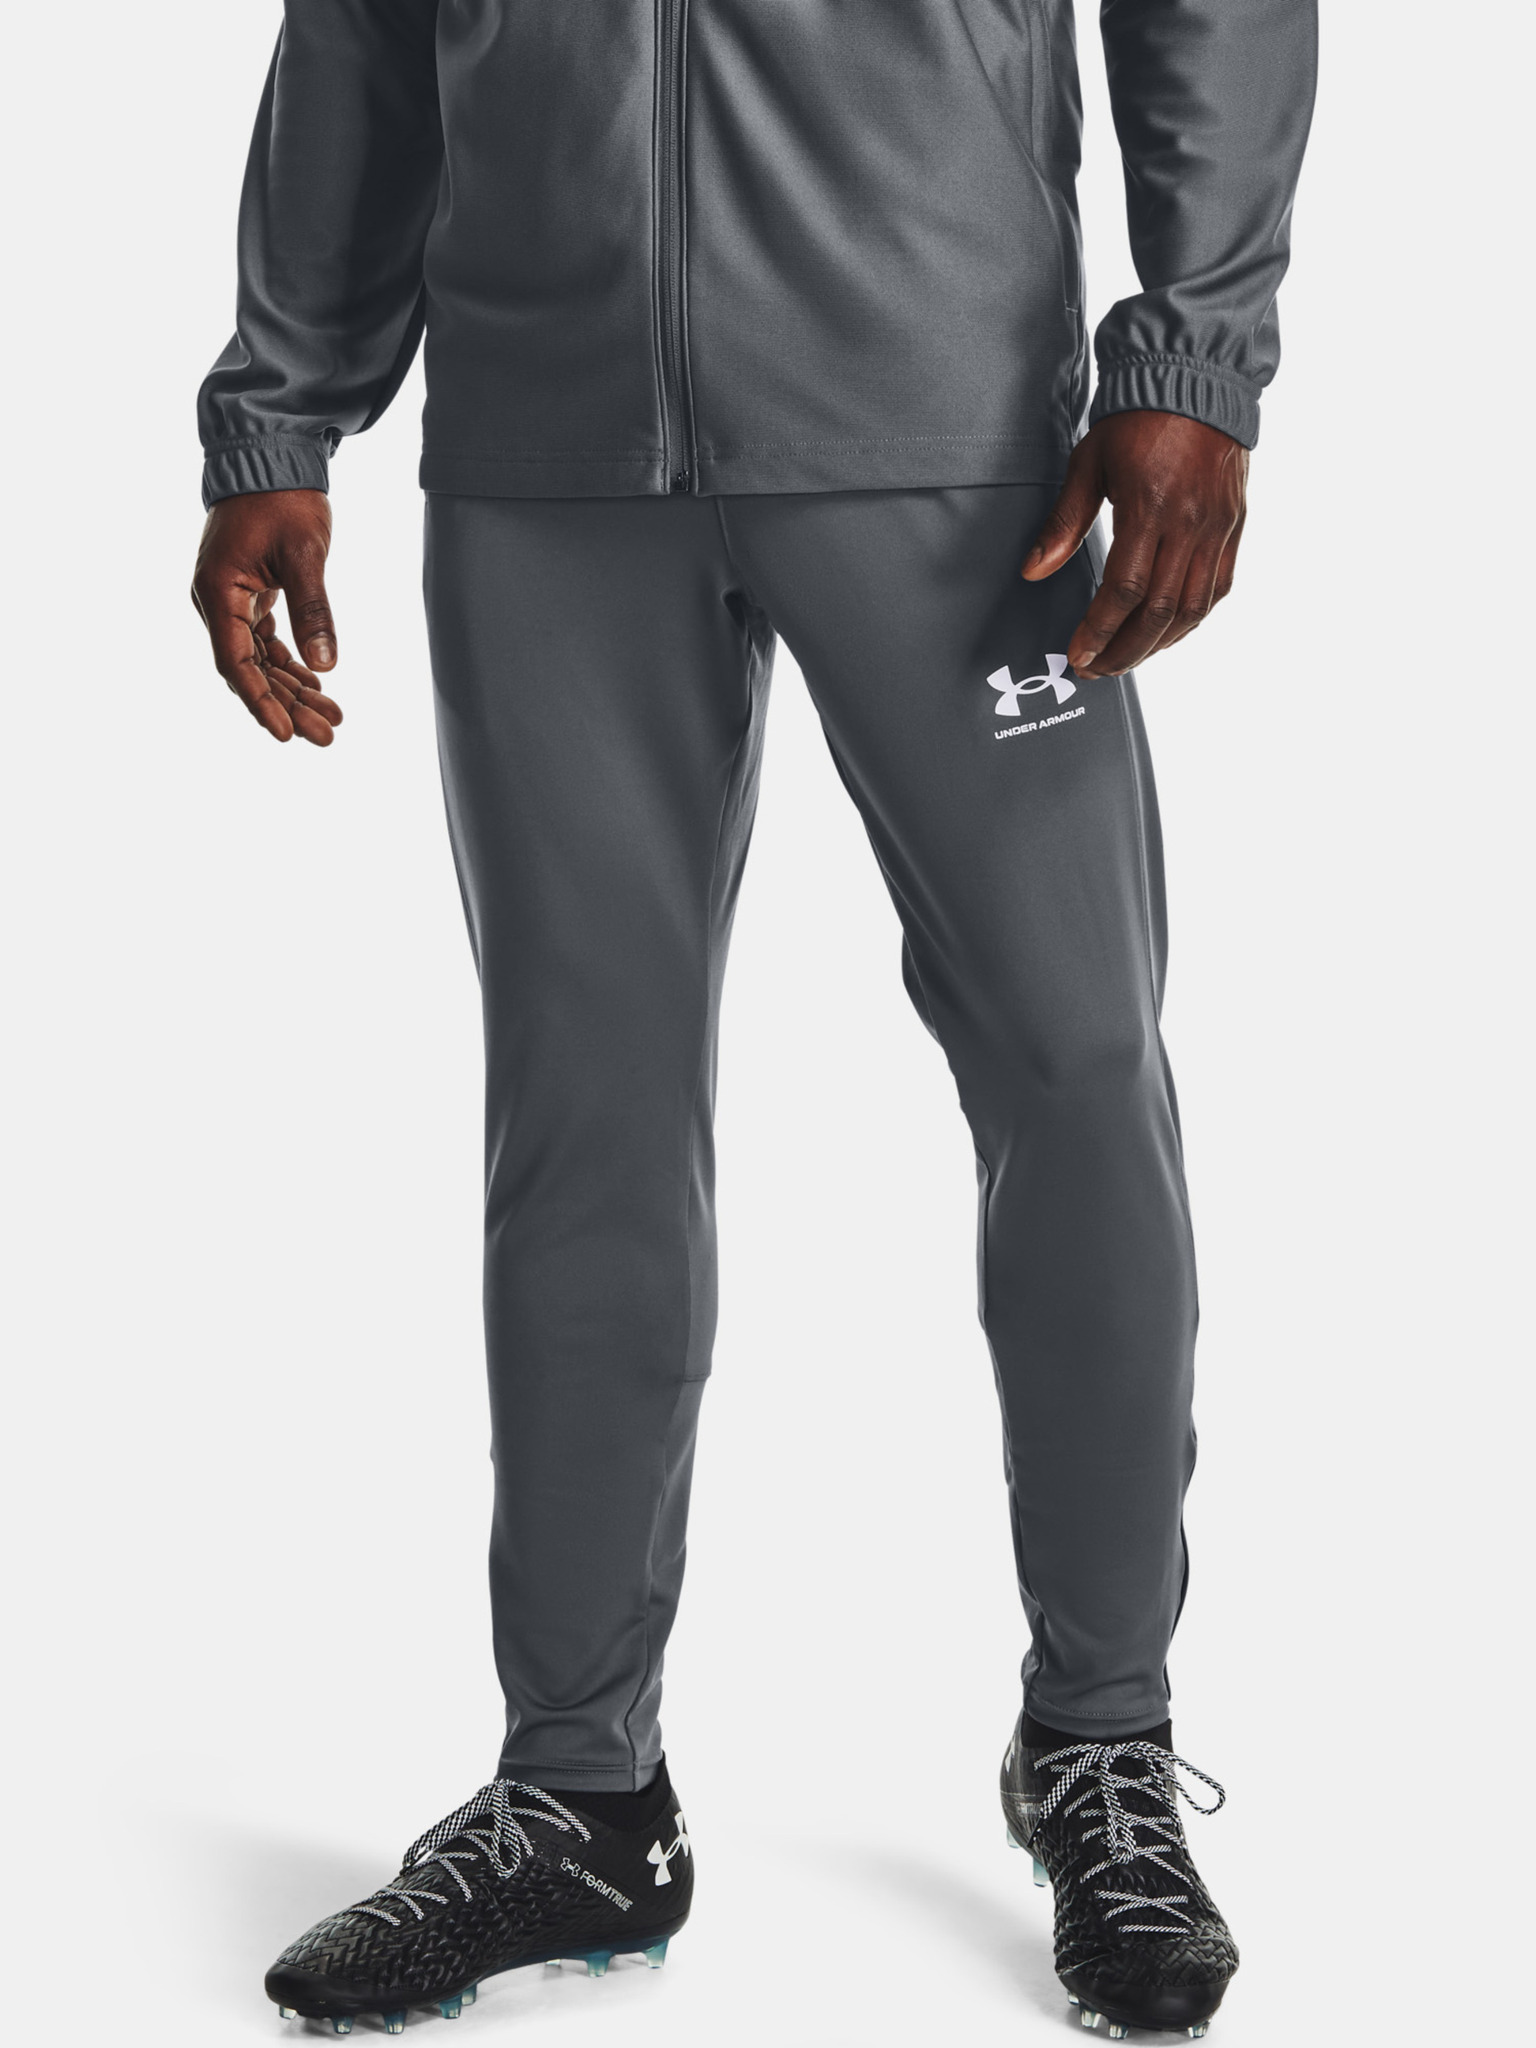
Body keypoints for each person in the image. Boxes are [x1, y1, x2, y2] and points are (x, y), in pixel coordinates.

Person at [192, 1, 1315, 2036]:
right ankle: (580, 1796)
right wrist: (281, 411)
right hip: (546, 442)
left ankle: (1103, 1744)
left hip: (953, 427)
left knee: (1072, 1065)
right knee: (580, 1117)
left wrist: (1198, 348)